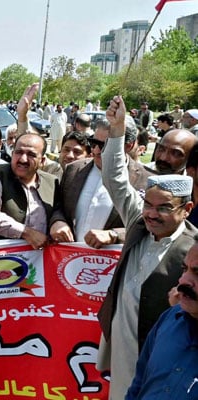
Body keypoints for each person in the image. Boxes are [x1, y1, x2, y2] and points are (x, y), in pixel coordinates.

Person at [96, 95, 198, 400]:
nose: (152, 214)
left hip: (158, 353)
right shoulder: (138, 224)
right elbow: (115, 179)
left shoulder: (192, 249)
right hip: (121, 348)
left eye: (164, 208)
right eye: (148, 205)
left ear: (187, 209)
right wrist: (116, 132)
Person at [50, 118, 154, 248]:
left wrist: (114, 235)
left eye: (105, 145)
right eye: (94, 143)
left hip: (113, 263)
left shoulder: (147, 181)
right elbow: (58, 205)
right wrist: (58, 221)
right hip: (69, 258)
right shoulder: (74, 169)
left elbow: (150, 226)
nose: (97, 150)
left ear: (129, 145)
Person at [125, 240, 198, 400]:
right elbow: (138, 385)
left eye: (197, 273)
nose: (183, 281)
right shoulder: (170, 318)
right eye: (184, 269)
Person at [0, 132, 59, 248]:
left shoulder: (52, 182)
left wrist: (59, 223)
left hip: (41, 260)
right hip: (3, 258)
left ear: (42, 161)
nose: (23, 159)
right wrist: (26, 233)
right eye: (19, 152)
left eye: (31, 155)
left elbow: (59, 211)